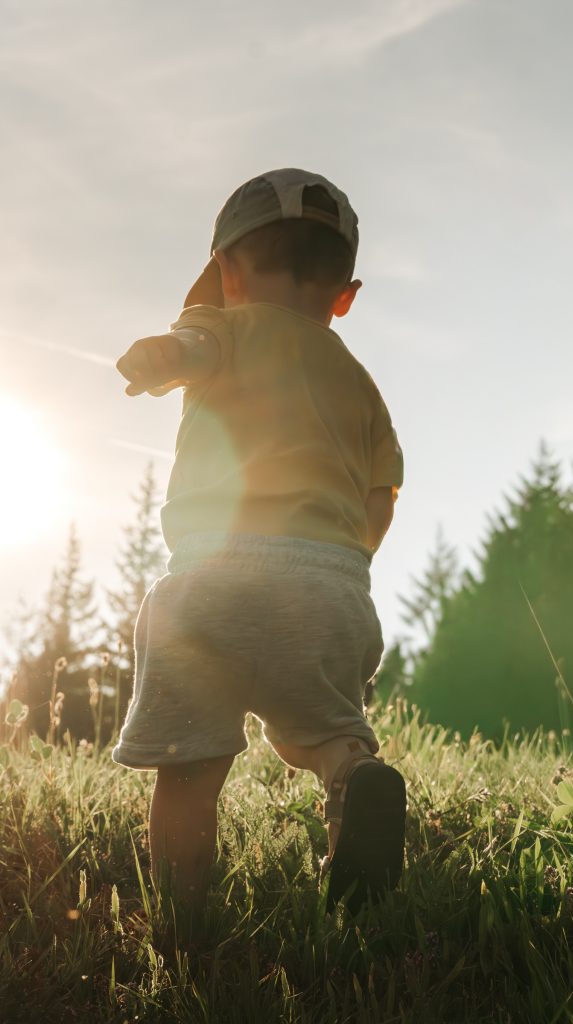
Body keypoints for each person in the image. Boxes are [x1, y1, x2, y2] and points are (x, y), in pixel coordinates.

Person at [113, 168, 406, 926]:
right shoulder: (361, 384)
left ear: (227, 273)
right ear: (345, 296)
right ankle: (350, 777)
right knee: (325, 733)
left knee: (189, 768)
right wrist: (348, 564)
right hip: (330, 585)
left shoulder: (223, 327)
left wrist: (161, 353)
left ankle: (182, 930)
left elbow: (188, 347)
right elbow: (381, 496)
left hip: (213, 581)